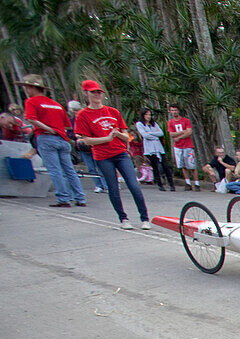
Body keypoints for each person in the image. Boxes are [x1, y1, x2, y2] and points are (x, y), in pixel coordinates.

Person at [73, 79, 149, 230]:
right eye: (93, 92)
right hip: (103, 156)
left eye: (98, 92)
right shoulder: (83, 115)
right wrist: (107, 138)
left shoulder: (113, 112)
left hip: (120, 153)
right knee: (113, 187)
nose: (96, 95)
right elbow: (86, 140)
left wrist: (117, 135)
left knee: (134, 185)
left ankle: (145, 218)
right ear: (86, 94)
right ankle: (123, 218)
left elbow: (127, 136)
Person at [16, 74, 86, 208]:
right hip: (63, 139)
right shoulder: (56, 104)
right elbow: (68, 126)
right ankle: (80, 197)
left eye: (26, 87)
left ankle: (64, 198)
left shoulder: (31, 101)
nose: (26, 90)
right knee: (69, 170)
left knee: (55, 170)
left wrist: (47, 127)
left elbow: (30, 118)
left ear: (31, 88)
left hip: (46, 137)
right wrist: (56, 127)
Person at [135, 108, 171, 191]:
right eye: (146, 114)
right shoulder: (140, 124)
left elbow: (161, 133)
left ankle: (171, 183)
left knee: (165, 165)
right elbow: (145, 135)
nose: (148, 116)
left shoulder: (154, 124)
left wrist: (150, 133)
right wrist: (154, 135)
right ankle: (159, 184)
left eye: (150, 115)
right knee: (155, 166)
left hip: (158, 147)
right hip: (149, 148)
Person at [166, 104, 198, 191]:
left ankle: (196, 183)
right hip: (178, 147)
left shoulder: (186, 120)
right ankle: (188, 183)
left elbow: (189, 132)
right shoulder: (170, 122)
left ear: (178, 111)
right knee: (183, 165)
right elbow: (171, 134)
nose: (174, 112)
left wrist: (179, 136)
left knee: (192, 165)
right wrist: (183, 132)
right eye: (172, 110)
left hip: (187, 145)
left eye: (175, 110)